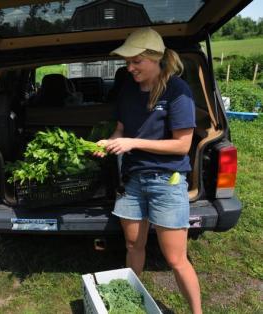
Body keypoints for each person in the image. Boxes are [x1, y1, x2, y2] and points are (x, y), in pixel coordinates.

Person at [95, 27, 202, 314]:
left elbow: (182, 146)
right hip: (133, 179)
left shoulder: (177, 91)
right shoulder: (128, 89)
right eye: (127, 62)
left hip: (167, 181)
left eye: (136, 61)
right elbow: (120, 130)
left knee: (175, 258)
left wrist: (133, 142)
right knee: (133, 245)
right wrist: (110, 143)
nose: (129, 68)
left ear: (156, 59)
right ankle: (132, 300)